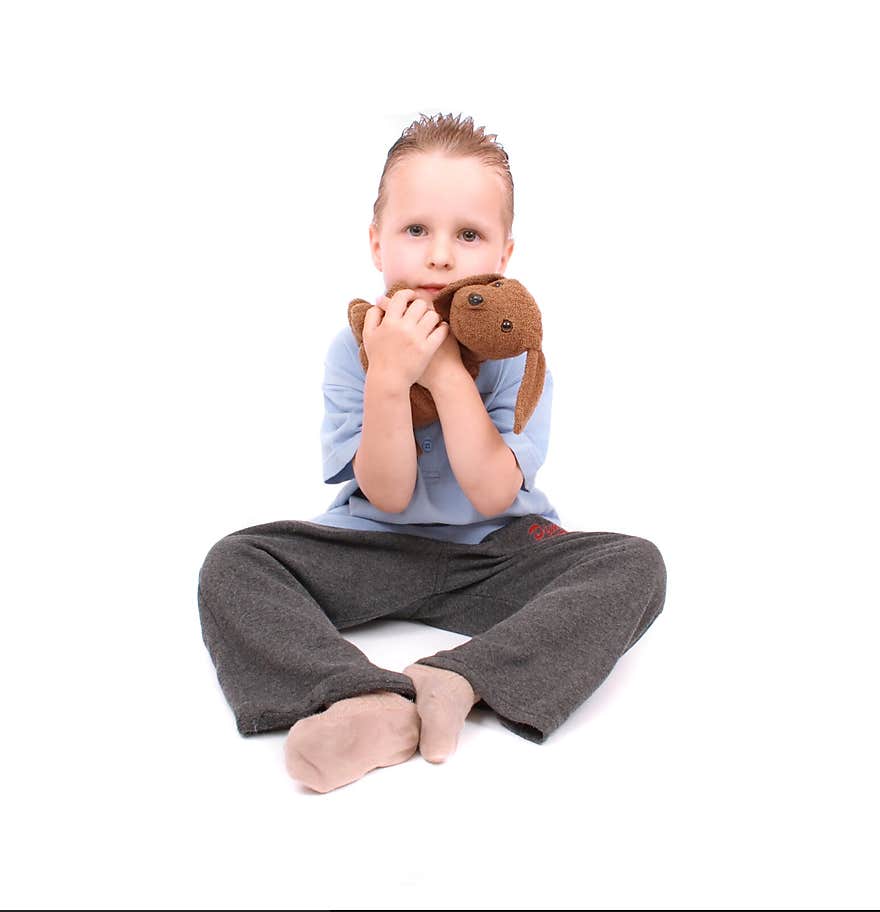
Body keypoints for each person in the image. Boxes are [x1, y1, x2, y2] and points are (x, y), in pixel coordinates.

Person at [196, 112, 666, 793]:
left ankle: (457, 678)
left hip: (497, 552)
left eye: (468, 235)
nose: (440, 256)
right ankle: (364, 697)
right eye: (416, 230)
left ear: (502, 256)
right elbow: (385, 493)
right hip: (375, 548)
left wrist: (447, 372)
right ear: (377, 244)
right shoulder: (352, 350)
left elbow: (494, 493)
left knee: (634, 565)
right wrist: (389, 376)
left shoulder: (515, 357)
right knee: (235, 562)